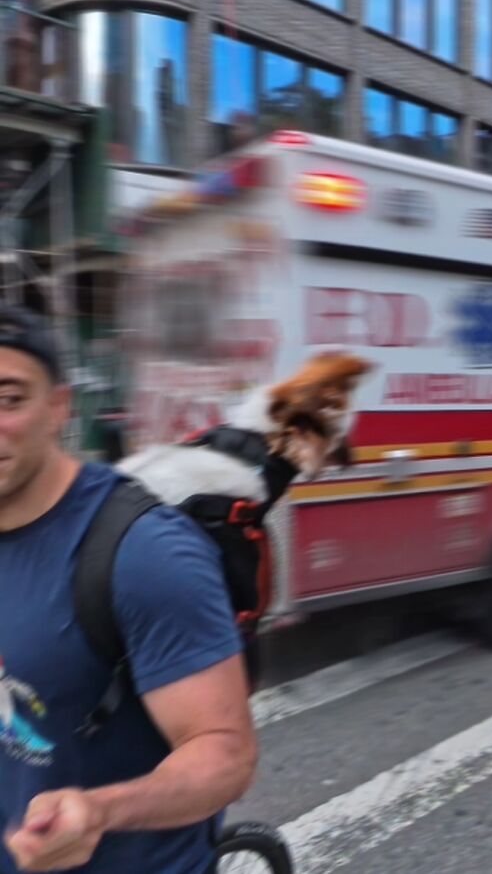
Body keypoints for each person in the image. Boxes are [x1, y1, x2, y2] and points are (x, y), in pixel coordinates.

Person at [0, 303, 257, 873]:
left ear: (58, 407)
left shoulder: (144, 553)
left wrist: (100, 811)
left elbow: (225, 754)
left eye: (8, 399)